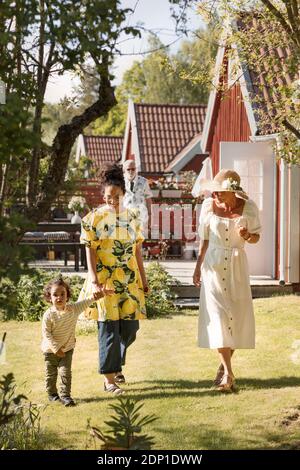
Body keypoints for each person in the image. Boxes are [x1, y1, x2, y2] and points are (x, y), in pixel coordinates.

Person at [78, 163, 148, 395]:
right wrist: (94, 279)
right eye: (108, 197)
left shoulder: (133, 218)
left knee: (130, 329)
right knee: (108, 328)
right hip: (105, 281)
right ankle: (109, 380)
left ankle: (115, 363)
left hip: (129, 280)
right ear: (103, 195)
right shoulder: (94, 218)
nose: (112, 201)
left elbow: (137, 250)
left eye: (116, 197)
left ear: (124, 194)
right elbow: (90, 248)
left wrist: (144, 278)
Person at [193, 169, 261, 391]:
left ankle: (224, 366)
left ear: (233, 192)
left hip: (237, 265)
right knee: (218, 316)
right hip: (212, 265)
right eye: (213, 193)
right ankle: (229, 375)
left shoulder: (249, 208)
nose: (215, 196)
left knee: (235, 316)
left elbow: (256, 236)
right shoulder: (207, 207)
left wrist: (246, 236)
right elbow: (203, 239)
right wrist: (197, 267)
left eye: (220, 193)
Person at [42, 277, 101, 406]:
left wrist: (97, 296)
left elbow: (86, 302)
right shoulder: (49, 315)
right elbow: (46, 333)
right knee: (51, 375)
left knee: (65, 373)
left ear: (67, 295)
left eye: (62, 294)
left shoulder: (73, 309)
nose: (59, 298)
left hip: (67, 349)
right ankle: (52, 394)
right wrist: (56, 348)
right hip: (50, 351)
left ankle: (65, 396)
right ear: (49, 297)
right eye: (55, 295)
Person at [122, 158, 153, 236]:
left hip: (141, 217)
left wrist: (150, 215)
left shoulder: (144, 182)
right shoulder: (120, 182)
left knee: (139, 242)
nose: (131, 171)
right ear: (124, 170)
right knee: (127, 242)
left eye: (133, 169)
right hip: (125, 217)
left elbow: (148, 199)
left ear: (136, 169)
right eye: (128, 169)